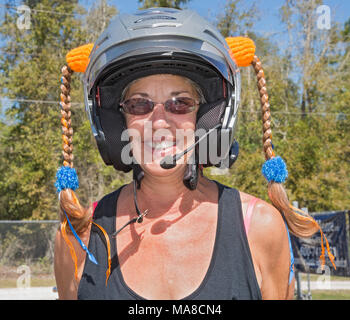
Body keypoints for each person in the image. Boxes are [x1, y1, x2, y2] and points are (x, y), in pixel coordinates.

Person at [54, 8, 334, 300]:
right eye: (139, 104)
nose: (159, 121)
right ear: (117, 122)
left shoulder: (260, 229)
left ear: (206, 118)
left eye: (180, 103)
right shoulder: (79, 237)